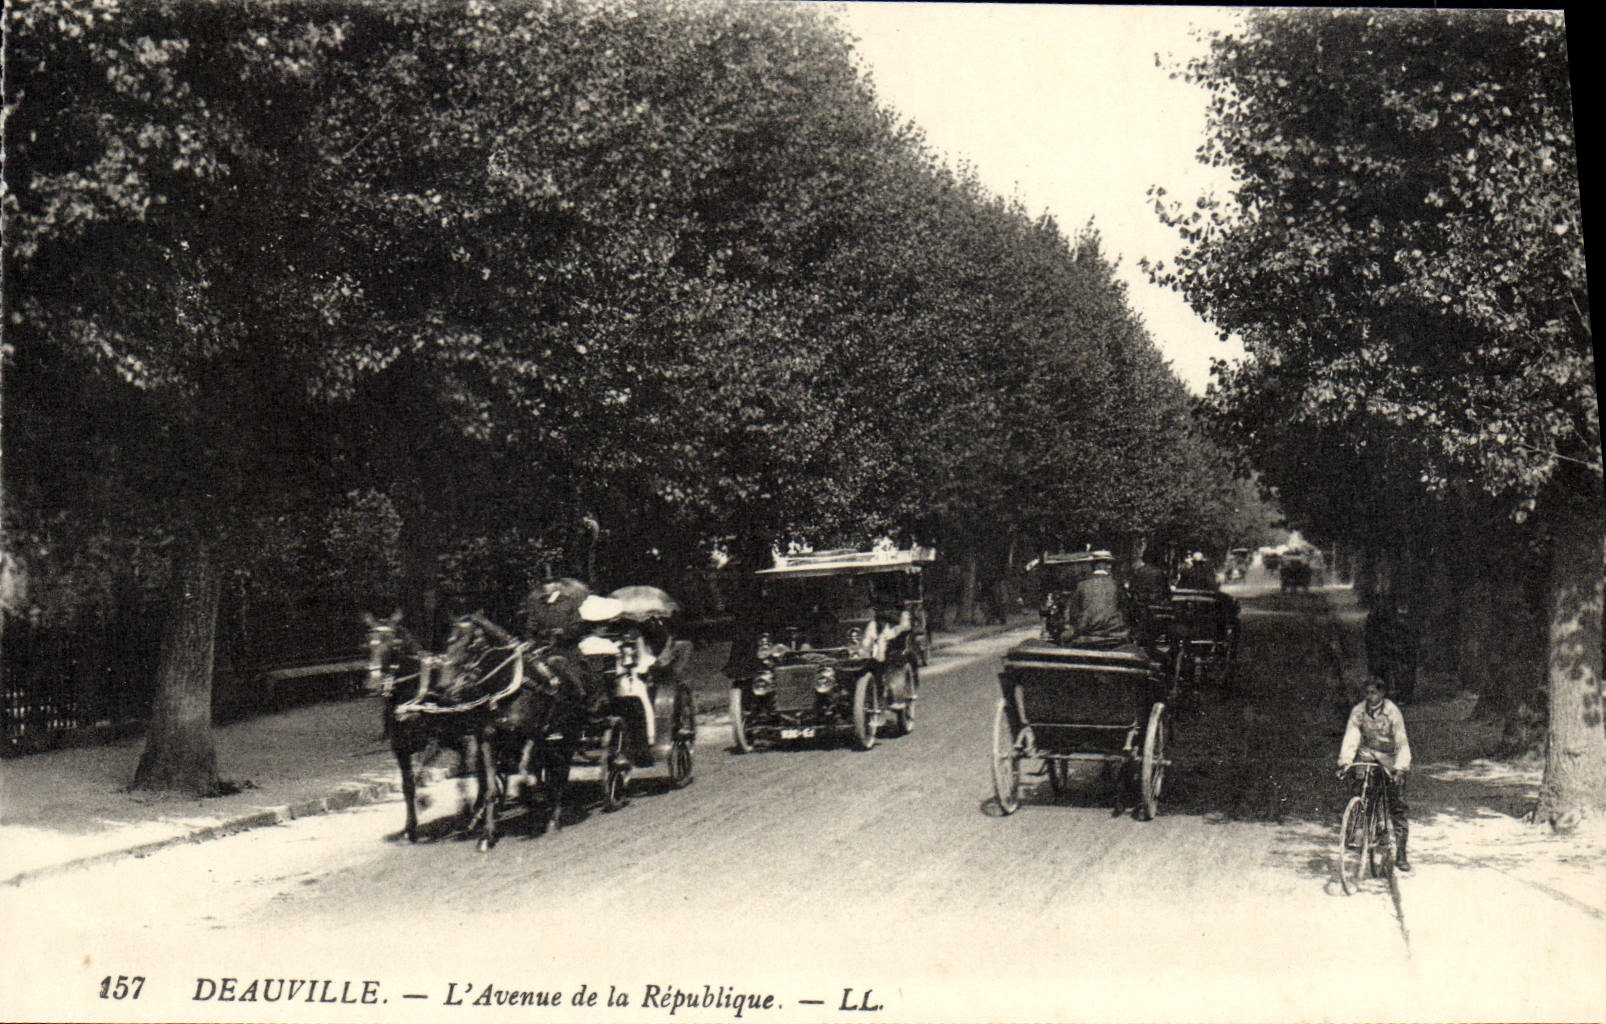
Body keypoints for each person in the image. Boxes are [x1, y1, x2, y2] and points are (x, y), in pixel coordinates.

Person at [1337, 677, 1413, 872]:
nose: (1370, 697)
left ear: (1381, 694)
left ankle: (1401, 854)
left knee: (1397, 805)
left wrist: (1401, 767)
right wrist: (1345, 762)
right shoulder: (1359, 712)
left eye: (1374, 693)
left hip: (1389, 758)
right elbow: (1352, 737)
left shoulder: (1392, 712)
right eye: (1367, 693)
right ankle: (1357, 829)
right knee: (1360, 789)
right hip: (1368, 755)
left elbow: (1401, 742)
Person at [1057, 550, 1131, 647]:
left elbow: (1073, 614)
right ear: (1109, 566)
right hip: (1114, 634)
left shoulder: (1081, 585)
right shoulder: (1117, 585)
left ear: (1093, 566)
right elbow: (1126, 611)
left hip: (1087, 633)